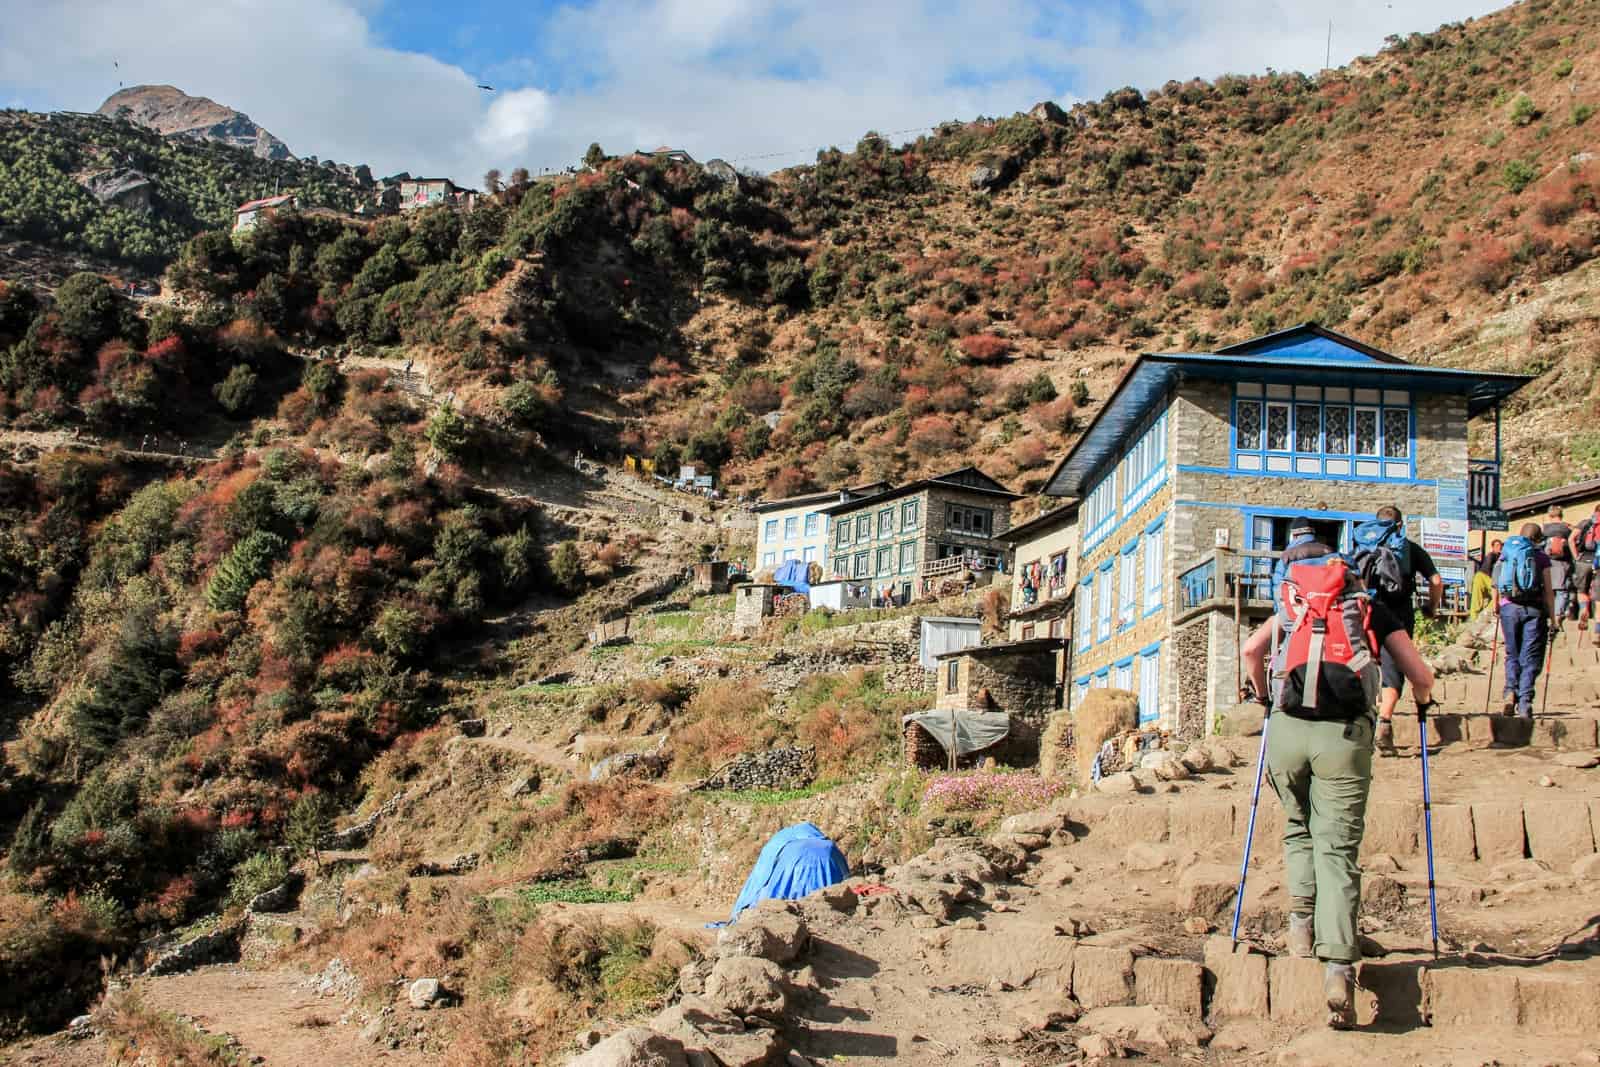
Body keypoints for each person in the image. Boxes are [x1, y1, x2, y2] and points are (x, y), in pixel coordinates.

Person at [1242, 555, 1435, 1029]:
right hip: (1343, 737)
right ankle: (1338, 967)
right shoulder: (1370, 610)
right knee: (1338, 848)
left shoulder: (1292, 605)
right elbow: (1420, 675)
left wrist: (1265, 699)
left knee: (1298, 827)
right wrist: (1425, 704)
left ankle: (1300, 929)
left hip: (1287, 731)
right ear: (1353, 579)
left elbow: (1251, 651)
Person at [1360, 507, 1442, 755]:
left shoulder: (1365, 547)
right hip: (1398, 616)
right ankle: (1384, 723)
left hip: (1367, 614)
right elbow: (1436, 581)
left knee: (1363, 666)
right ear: (1400, 525)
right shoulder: (1410, 549)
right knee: (1394, 669)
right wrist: (1431, 607)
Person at [1493, 522, 1559, 718]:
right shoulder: (1541, 557)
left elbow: (1496, 583)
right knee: (1529, 658)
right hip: (1534, 611)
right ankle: (1524, 702)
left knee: (1511, 654)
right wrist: (1554, 620)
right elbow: (1548, 590)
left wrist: (1496, 605)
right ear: (1539, 539)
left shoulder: (1506, 552)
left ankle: (1509, 692)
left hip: (1509, 608)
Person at [1541, 505, 1575, 620]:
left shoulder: (1545, 529)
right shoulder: (1567, 528)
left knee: (1549, 589)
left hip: (1546, 563)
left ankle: (1548, 613)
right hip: (1563, 564)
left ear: (1550, 515)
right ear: (1561, 514)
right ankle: (1557, 615)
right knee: (1562, 590)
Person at [1573, 507, 1600, 630]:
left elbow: (1570, 539)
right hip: (1598, 561)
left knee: (1582, 590)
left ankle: (1584, 609)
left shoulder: (1585, 522)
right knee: (1598, 595)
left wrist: (1576, 556)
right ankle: (1598, 627)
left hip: (1583, 560)